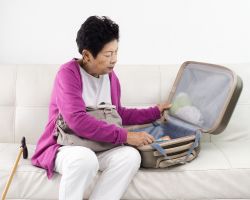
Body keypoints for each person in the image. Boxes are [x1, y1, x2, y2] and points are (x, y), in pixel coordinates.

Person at [31, 16, 171, 200]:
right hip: (67, 146)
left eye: (116, 52)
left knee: (130, 157)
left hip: (99, 147)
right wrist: (126, 136)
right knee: (84, 160)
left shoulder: (110, 77)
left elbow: (118, 113)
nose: (114, 60)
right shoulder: (68, 74)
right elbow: (77, 121)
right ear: (87, 55)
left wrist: (154, 111)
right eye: (108, 55)